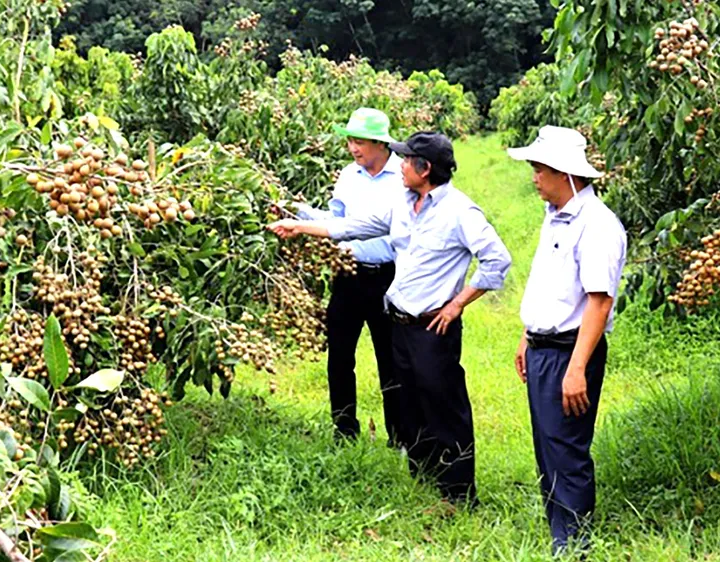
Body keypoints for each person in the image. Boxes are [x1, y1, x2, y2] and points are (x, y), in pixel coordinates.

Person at [268, 132, 512, 505]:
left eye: (406, 159)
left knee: (443, 407)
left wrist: (457, 304)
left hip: (433, 326)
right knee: (409, 404)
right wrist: (298, 225)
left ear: (424, 168)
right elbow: (351, 226)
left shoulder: (461, 212)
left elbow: (497, 260)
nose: (399, 165)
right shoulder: (402, 203)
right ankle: (424, 477)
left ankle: (458, 493)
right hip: (398, 321)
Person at [507, 126, 627, 554]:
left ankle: (574, 544)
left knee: (567, 449)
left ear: (565, 174)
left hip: (570, 352)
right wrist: (527, 335)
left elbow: (599, 301)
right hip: (545, 347)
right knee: (547, 446)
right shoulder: (555, 215)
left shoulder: (597, 226)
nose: (534, 177)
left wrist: (576, 368)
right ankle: (560, 529)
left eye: (540, 169)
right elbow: (549, 284)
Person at [294, 107, 407, 445]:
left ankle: (399, 437)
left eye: (360, 142)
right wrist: (296, 212)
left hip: (388, 278)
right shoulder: (347, 175)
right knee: (340, 356)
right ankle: (344, 431)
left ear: (380, 144)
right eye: (351, 142)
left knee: (391, 360)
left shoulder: (403, 177)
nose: (354, 149)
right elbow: (335, 220)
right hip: (347, 275)